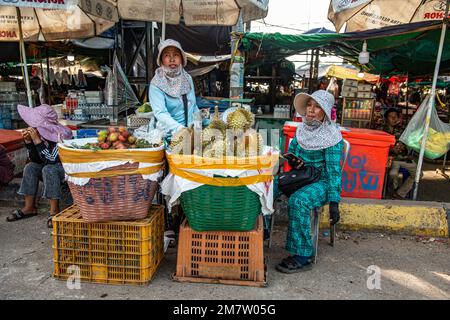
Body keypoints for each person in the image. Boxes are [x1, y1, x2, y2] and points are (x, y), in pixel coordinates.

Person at [276, 90, 343, 273]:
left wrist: (334, 202)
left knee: (299, 200)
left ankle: (302, 256)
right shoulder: (300, 131)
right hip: (302, 176)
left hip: (321, 182)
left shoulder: (332, 138)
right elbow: (293, 156)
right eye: (309, 105)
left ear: (326, 112)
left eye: (317, 107)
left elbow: (334, 172)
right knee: (267, 185)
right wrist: (293, 161)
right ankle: (262, 233)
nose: (311, 110)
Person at [6, 104, 73, 228]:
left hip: (64, 170)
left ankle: (54, 211)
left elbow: (52, 160)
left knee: (49, 169)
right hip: (49, 165)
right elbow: (36, 160)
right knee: (30, 167)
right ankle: (29, 207)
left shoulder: (60, 135)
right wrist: (29, 143)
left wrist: (38, 142)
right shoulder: (40, 135)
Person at [149, 39, 200, 135]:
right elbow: (160, 113)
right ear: (161, 60)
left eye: (176, 55)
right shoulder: (156, 84)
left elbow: (193, 105)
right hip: (168, 135)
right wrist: (179, 129)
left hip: (190, 132)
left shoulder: (187, 78)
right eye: (167, 55)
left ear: (181, 58)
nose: (172, 59)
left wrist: (201, 122)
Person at [382, 108, 418, 199]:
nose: (394, 119)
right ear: (386, 119)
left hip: (403, 158)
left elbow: (409, 143)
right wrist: (391, 149)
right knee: (393, 174)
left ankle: (399, 193)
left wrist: (404, 147)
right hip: (390, 159)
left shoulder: (402, 130)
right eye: (391, 117)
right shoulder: (381, 130)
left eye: (395, 117)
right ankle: (394, 189)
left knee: (418, 174)